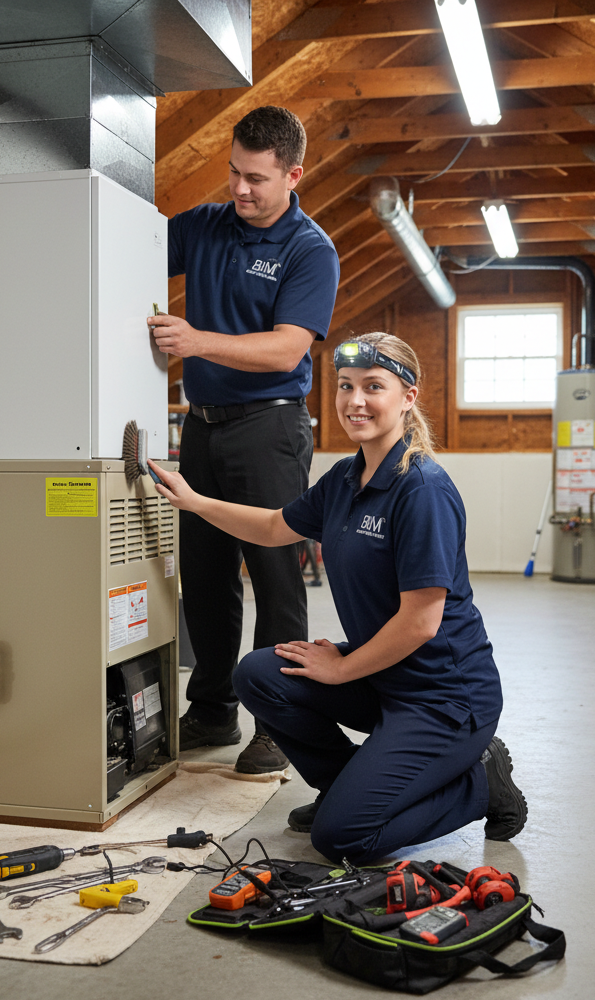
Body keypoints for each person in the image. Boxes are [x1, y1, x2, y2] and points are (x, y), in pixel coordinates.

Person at [148, 333, 527, 864]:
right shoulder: (346, 477)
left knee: (343, 838)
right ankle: (347, 785)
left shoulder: (423, 490)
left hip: (445, 697)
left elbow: (421, 622)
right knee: (258, 674)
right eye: (345, 387)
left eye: (374, 387)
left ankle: (479, 786)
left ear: (408, 397)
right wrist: (195, 501)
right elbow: (277, 525)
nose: (355, 401)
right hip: (385, 677)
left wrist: (342, 669)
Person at [148, 106, 340, 774]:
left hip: (270, 427)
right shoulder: (203, 227)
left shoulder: (309, 249)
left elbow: (288, 350)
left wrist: (195, 341)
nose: (240, 189)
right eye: (233, 172)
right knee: (203, 576)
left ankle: (280, 723)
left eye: (255, 178)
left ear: (293, 173)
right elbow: (129, 252)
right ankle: (211, 710)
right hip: (201, 426)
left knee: (276, 576)